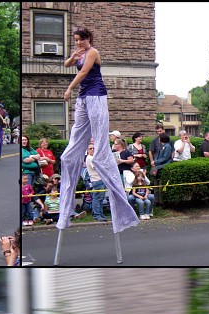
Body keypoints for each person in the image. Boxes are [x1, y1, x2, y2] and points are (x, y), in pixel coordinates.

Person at [58, 27, 138, 234]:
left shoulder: (93, 52)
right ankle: (72, 153)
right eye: (75, 40)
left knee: (100, 135)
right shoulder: (80, 52)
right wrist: (72, 56)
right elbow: (67, 64)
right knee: (77, 132)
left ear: (88, 39)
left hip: (96, 94)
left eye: (80, 40)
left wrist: (68, 88)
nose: (77, 43)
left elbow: (84, 72)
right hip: (84, 97)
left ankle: (103, 156)